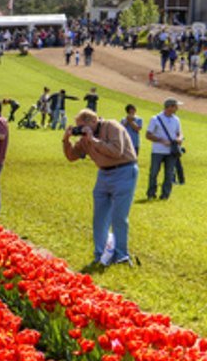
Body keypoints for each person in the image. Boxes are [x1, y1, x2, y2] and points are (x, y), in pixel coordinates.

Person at [64, 107, 139, 268]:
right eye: (78, 127)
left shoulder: (112, 126)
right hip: (103, 174)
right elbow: (71, 156)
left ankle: (121, 255)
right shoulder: (85, 138)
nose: (81, 130)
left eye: (83, 126)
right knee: (99, 218)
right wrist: (66, 140)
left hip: (124, 171)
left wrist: (94, 140)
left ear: (93, 121)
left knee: (119, 217)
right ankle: (101, 255)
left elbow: (116, 151)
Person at [147, 98, 185, 201]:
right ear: (170, 107)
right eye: (175, 106)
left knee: (169, 174)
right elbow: (148, 135)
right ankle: (151, 194)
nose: (177, 108)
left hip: (171, 152)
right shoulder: (155, 119)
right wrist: (162, 141)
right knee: (154, 173)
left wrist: (179, 139)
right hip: (158, 151)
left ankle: (165, 195)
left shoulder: (176, 119)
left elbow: (180, 133)